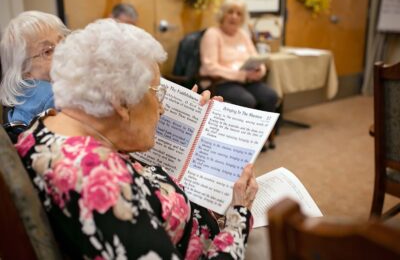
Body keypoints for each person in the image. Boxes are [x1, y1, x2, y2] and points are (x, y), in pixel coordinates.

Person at [15, 19, 258, 259]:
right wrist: (239, 215)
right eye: (156, 93)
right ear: (120, 103)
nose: (161, 108)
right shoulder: (101, 185)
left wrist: (186, 125)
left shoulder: (45, 126)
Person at [200, 0, 278, 114]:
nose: (234, 16)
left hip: (246, 80)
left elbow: (256, 58)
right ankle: (242, 132)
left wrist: (259, 71)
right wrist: (242, 75)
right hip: (220, 82)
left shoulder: (243, 34)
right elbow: (210, 67)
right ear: (222, 14)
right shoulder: (212, 34)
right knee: (246, 100)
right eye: (230, 12)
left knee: (270, 96)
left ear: (243, 18)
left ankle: (261, 132)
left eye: (239, 13)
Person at [0, 11, 69, 128]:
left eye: (62, 42)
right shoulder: (52, 95)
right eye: (47, 51)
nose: (62, 52)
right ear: (24, 71)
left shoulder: (24, 93)